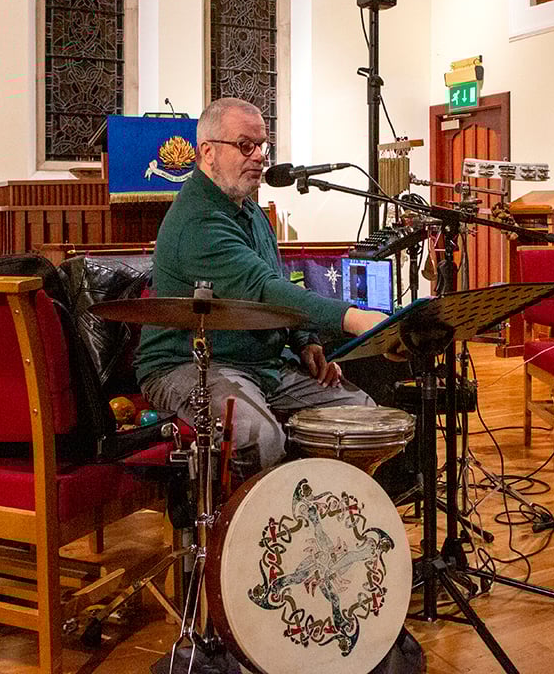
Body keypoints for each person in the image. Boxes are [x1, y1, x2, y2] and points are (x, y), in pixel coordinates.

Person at [135, 97, 391, 468]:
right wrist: (355, 317)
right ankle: (263, 508)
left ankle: (326, 502)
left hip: (262, 363)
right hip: (187, 365)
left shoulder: (248, 208)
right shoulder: (197, 222)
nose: (259, 157)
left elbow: (276, 277)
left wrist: (305, 340)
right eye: (245, 146)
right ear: (207, 152)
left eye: (262, 146)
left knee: (362, 417)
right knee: (260, 436)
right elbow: (264, 290)